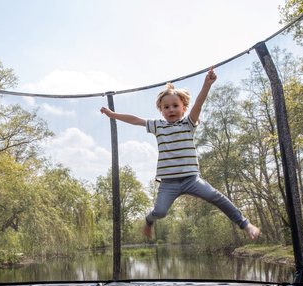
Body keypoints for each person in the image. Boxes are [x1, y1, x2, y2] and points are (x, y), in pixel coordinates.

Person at [100, 67, 261, 241]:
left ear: (183, 108)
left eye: (175, 106)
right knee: (160, 212)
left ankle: (245, 224)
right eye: (166, 107)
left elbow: (198, 104)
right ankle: (149, 220)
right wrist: (112, 115)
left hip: (191, 179)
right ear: (161, 110)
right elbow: (135, 119)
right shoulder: (158, 126)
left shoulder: (189, 123)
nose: (171, 109)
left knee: (216, 197)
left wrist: (207, 85)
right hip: (169, 182)